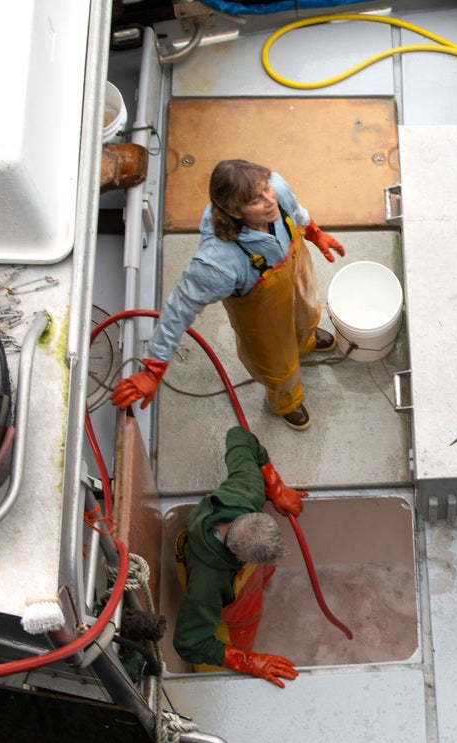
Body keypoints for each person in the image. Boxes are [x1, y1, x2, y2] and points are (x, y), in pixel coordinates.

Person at [111, 159, 346, 431]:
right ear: (233, 210)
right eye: (254, 200)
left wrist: (315, 235)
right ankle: (286, 401)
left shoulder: (275, 189)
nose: (268, 200)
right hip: (262, 317)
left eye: (265, 189)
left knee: (306, 311)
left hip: (296, 275)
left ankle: (306, 341)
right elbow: (179, 309)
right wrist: (154, 368)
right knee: (279, 366)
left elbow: (296, 211)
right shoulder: (217, 263)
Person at [173, 425, 307, 686]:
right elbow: (189, 643)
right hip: (230, 621)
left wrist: (275, 485)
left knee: (261, 582)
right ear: (238, 558)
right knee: (220, 671)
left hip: (247, 587)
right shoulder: (207, 584)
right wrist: (249, 661)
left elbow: (239, 436)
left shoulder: (244, 493)